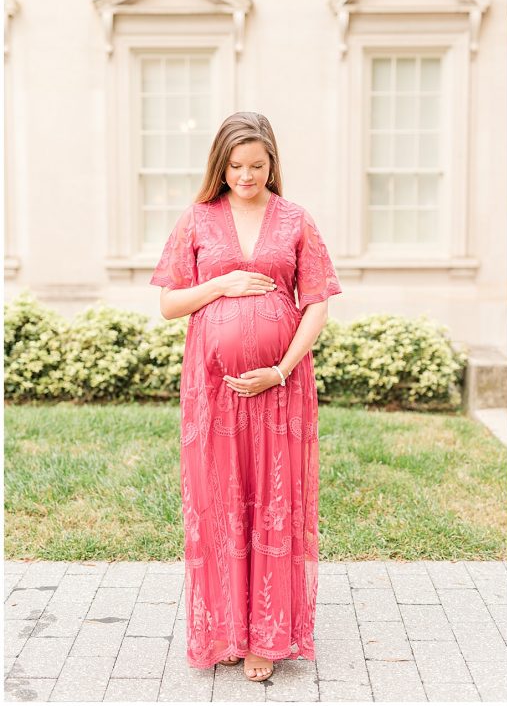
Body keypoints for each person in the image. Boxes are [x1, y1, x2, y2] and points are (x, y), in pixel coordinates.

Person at [151, 112, 341, 682]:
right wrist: (223, 284)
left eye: (257, 165)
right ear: (221, 165)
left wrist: (280, 370)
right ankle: (228, 630)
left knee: (272, 505)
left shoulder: (296, 220)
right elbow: (168, 304)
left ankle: (267, 637)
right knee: (223, 503)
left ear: (271, 163)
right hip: (215, 391)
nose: (246, 175)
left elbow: (318, 304)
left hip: (280, 390)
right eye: (236, 166)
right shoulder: (197, 220)